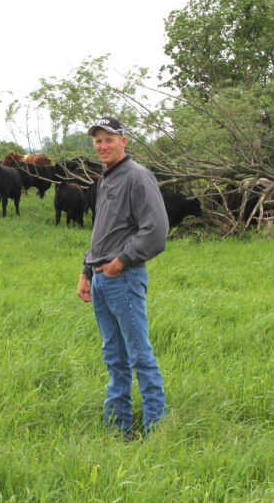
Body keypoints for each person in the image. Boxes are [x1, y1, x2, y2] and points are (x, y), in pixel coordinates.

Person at [77, 117, 169, 439]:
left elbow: (156, 231)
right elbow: (103, 230)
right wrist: (87, 270)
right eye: (98, 141)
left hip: (124, 278)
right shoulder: (106, 179)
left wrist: (119, 263)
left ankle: (156, 430)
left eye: (108, 139)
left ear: (123, 141)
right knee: (114, 357)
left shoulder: (138, 177)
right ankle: (119, 430)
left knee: (139, 355)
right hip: (102, 280)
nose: (102, 146)